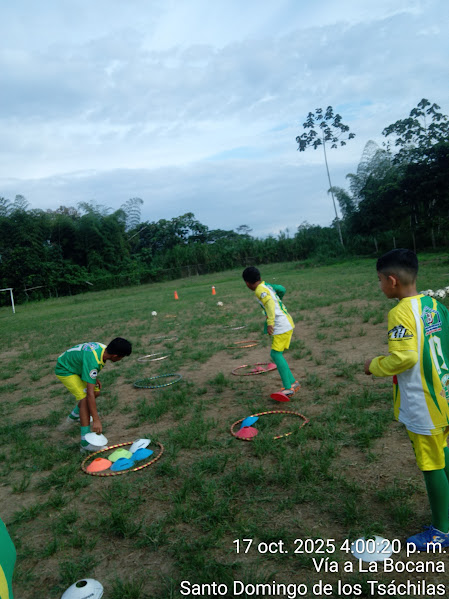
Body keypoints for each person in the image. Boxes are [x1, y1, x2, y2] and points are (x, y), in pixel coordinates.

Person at [364, 249, 449, 551]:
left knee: (431, 465)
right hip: (445, 393)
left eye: (379, 281)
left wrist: (374, 365)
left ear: (392, 281)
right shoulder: (435, 305)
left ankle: (441, 532)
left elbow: (405, 357)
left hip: (423, 403)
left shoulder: (400, 312)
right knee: (443, 451)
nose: (380, 286)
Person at [55, 338, 132, 451]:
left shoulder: (102, 349)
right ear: (115, 356)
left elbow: (86, 362)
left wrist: (93, 377)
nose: (121, 359)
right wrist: (96, 420)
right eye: (122, 357)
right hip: (66, 369)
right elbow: (89, 394)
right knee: (85, 398)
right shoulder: (94, 362)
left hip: (76, 366)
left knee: (96, 392)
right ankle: (85, 443)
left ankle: (75, 416)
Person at [242, 266, 299, 397]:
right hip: (287, 322)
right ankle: (293, 383)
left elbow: (270, 304)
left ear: (247, 283)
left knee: (276, 354)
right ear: (260, 277)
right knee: (277, 354)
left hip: (281, 325)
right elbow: (282, 289)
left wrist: (270, 323)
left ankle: (288, 388)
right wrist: (279, 299)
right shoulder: (266, 286)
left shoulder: (259, 290)